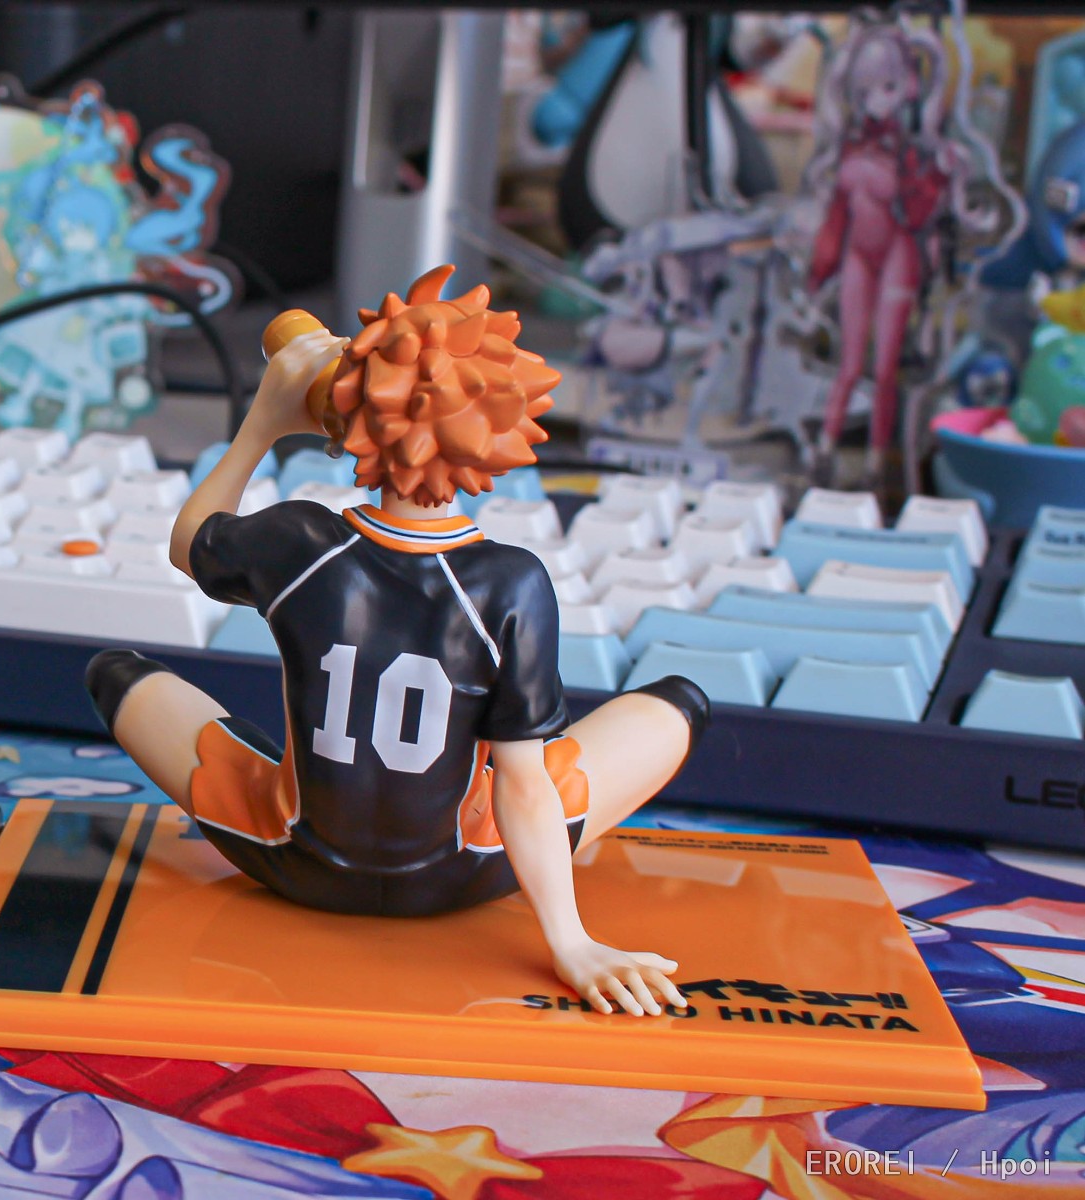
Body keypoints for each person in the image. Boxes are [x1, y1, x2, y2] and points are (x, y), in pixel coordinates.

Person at [85, 266, 709, 1018]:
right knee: (675, 704)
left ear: (351, 417)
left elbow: (189, 542)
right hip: (460, 877)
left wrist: (263, 422)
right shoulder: (511, 583)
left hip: (293, 862)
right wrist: (570, 943)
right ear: (499, 430)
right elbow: (520, 786)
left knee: (119, 674)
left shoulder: (298, 539)